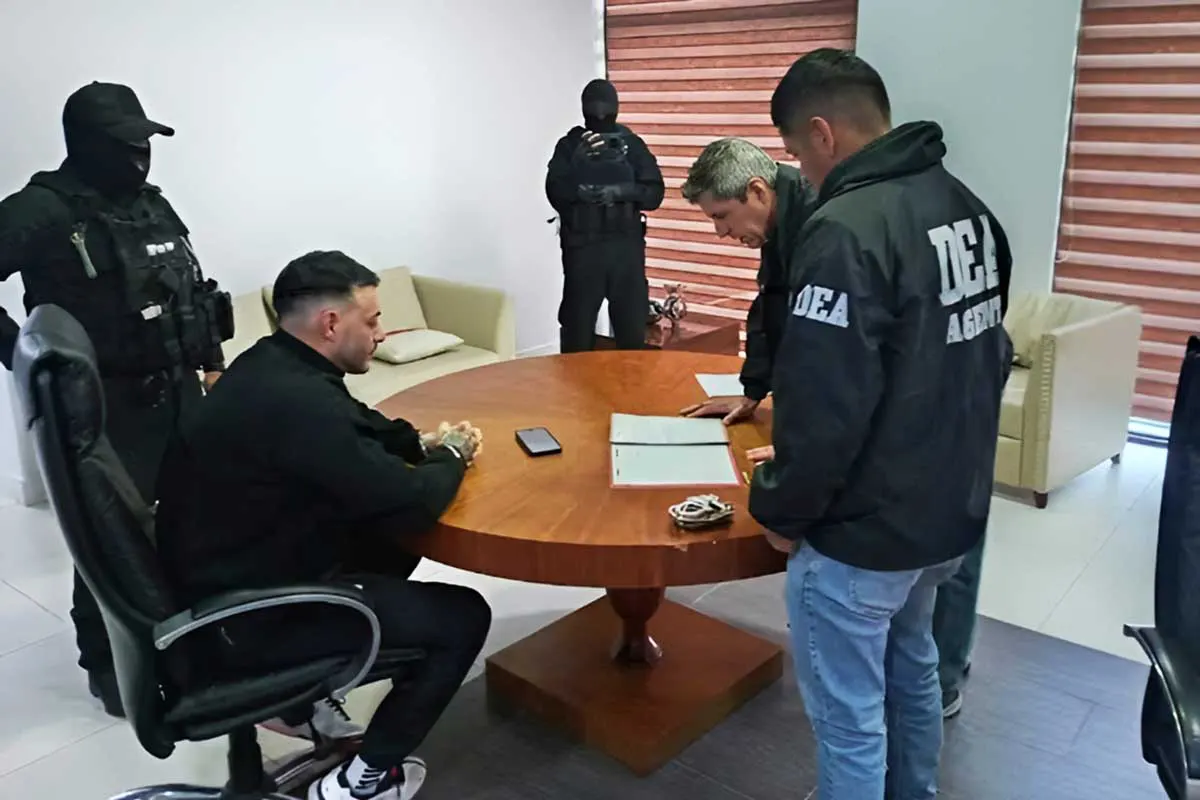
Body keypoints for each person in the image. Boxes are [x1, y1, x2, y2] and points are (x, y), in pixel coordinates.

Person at [746, 49, 1013, 799]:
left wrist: (783, 508)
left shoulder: (846, 229)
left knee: (850, 717)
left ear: (822, 133)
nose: (802, 173)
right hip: (946, 512)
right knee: (913, 666)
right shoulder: (968, 208)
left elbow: (825, 401)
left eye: (797, 153)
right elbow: (985, 359)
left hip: (868, 531)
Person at [155, 250, 491, 800]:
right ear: (331, 323)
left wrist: (415, 442)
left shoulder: (269, 364)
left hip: (221, 575)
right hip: (247, 616)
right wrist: (451, 455)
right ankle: (363, 781)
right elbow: (412, 502)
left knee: (387, 536)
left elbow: (353, 424)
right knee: (462, 615)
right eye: (373, 320)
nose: (380, 334)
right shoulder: (297, 402)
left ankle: (301, 703)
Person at [0, 81, 233, 717]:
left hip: (179, 392)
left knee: (193, 519)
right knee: (109, 538)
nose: (140, 157)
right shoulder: (41, 209)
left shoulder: (151, 206)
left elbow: (188, 291)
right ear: (85, 143)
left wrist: (213, 365)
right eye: (125, 145)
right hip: (102, 406)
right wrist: (26, 358)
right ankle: (109, 667)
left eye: (145, 143)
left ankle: (189, 640)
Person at [675, 138, 815, 424]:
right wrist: (753, 392)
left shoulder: (821, 221)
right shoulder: (779, 222)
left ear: (757, 191)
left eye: (721, 215)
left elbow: (837, 346)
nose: (720, 232)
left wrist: (805, 440)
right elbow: (771, 305)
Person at [545, 78, 665, 352]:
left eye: (604, 106)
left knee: (631, 329)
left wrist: (619, 192)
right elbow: (554, 192)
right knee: (577, 330)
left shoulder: (631, 145)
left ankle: (630, 381)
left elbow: (654, 194)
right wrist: (579, 182)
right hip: (583, 248)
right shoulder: (570, 146)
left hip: (625, 248)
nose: (599, 113)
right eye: (594, 106)